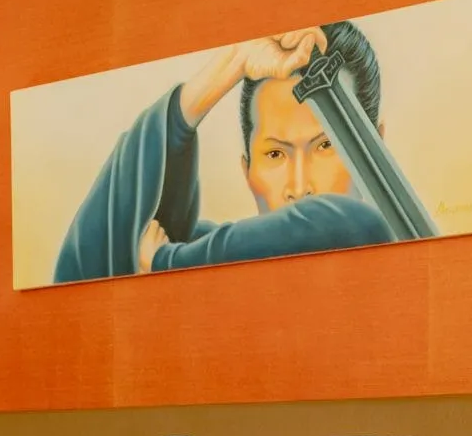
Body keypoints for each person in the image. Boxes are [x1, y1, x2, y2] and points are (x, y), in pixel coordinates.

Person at [52, 22, 394, 284]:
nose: (300, 187)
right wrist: (233, 62)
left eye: (325, 145)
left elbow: (344, 221)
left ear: (377, 147)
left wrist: (163, 263)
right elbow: (91, 266)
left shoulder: (380, 238)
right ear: (247, 169)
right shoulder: (208, 254)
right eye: (275, 154)